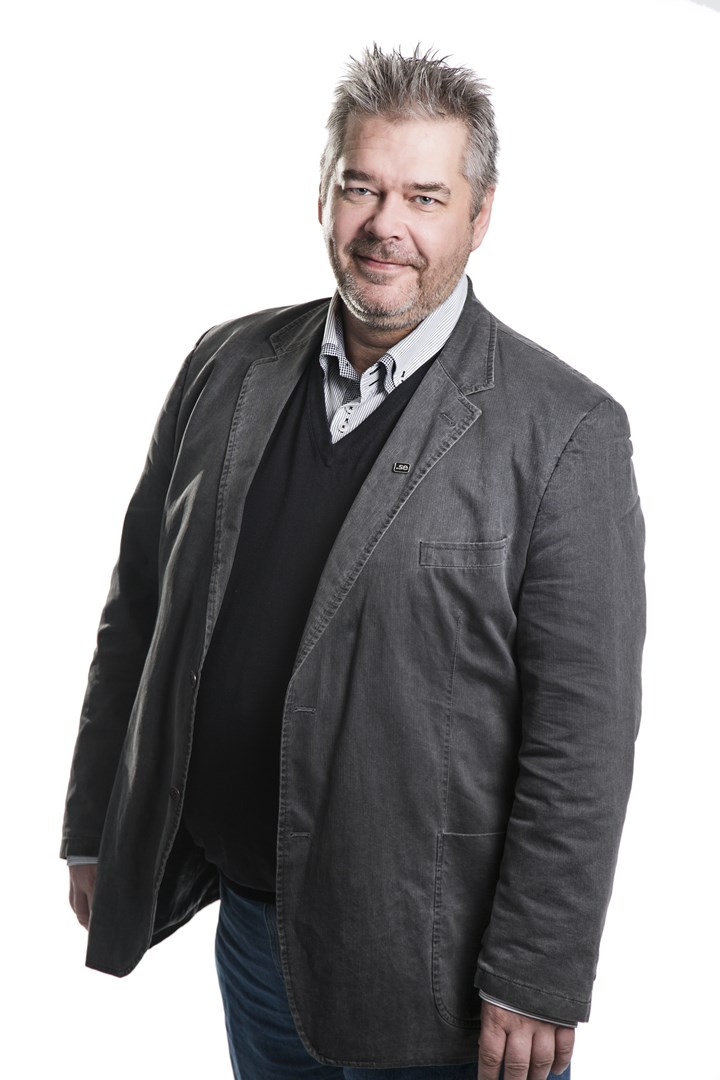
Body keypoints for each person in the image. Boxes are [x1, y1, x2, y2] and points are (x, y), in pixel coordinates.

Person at [62, 45, 645, 1080]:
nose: (386, 225)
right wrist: (101, 824)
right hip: (253, 935)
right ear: (324, 194)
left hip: (440, 972)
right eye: (362, 187)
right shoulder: (225, 364)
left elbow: (582, 736)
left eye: (425, 196)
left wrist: (539, 969)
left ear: (480, 214)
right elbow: (140, 610)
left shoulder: (563, 431)